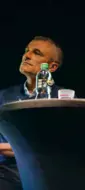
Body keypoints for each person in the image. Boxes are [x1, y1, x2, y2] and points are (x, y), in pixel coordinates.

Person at [0, 36, 66, 189]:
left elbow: (52, 145)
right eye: (26, 51)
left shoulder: (63, 98)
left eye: (36, 53)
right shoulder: (4, 96)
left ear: (52, 67)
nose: (27, 56)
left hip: (45, 172)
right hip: (6, 170)